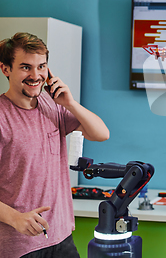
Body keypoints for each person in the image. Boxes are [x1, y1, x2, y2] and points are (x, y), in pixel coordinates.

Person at [0, 32, 110, 258]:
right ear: (5, 69)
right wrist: (15, 218)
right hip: (19, 245)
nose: (35, 75)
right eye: (25, 67)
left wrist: (70, 102)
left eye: (41, 67)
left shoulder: (52, 107)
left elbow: (101, 133)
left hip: (61, 238)